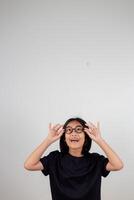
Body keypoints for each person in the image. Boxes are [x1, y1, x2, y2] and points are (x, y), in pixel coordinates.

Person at [24, 117, 124, 200]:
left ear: (86, 137)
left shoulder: (96, 160)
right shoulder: (54, 159)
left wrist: (99, 140)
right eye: (69, 130)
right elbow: (29, 165)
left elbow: (117, 165)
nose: (74, 133)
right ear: (64, 137)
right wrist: (48, 140)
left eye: (79, 130)